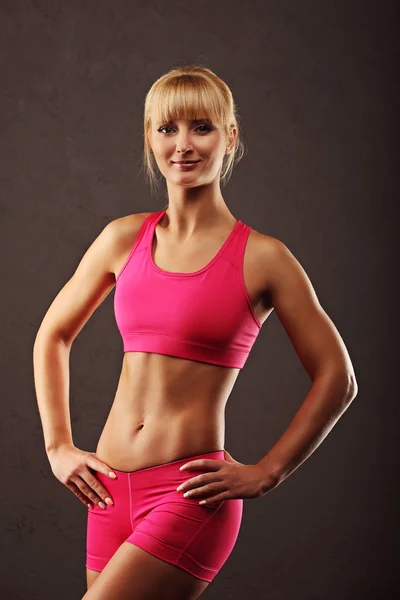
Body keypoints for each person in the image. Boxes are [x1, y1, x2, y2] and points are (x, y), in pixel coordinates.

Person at [33, 65, 358, 600]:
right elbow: (53, 335)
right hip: (108, 494)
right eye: (167, 129)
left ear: (230, 136)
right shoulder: (122, 239)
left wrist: (269, 472)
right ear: (150, 139)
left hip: (189, 496)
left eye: (201, 127)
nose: (183, 145)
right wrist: (57, 446)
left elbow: (338, 378)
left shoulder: (264, 258)